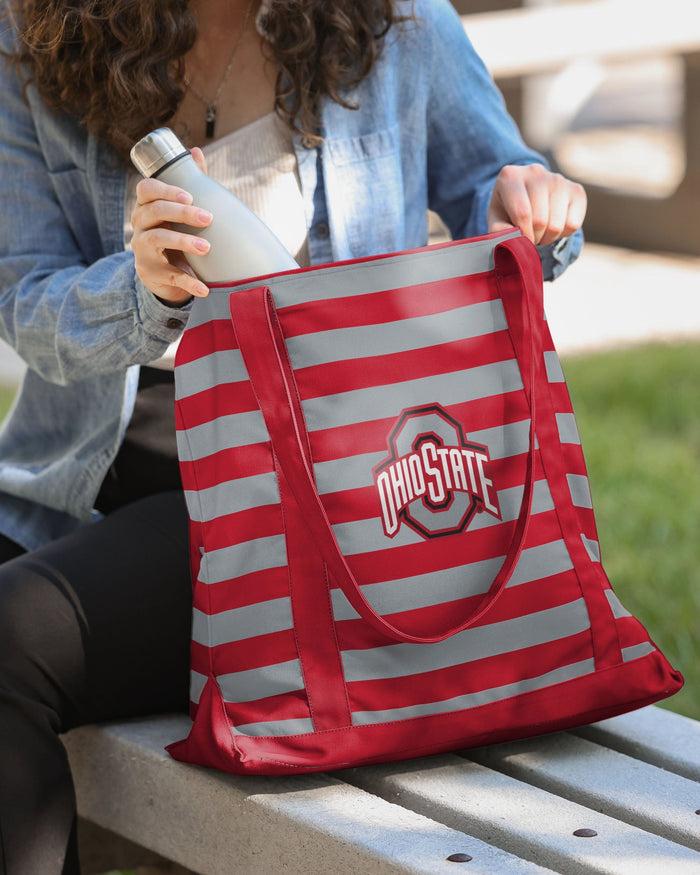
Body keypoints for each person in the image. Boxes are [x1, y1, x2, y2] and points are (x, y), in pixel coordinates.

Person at [0, 0, 586, 871]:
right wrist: (143, 292)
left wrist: (534, 206)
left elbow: (499, 191)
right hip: (88, 480)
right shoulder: (34, 31)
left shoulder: (399, 21)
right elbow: (26, 297)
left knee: (10, 642)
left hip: (312, 497)